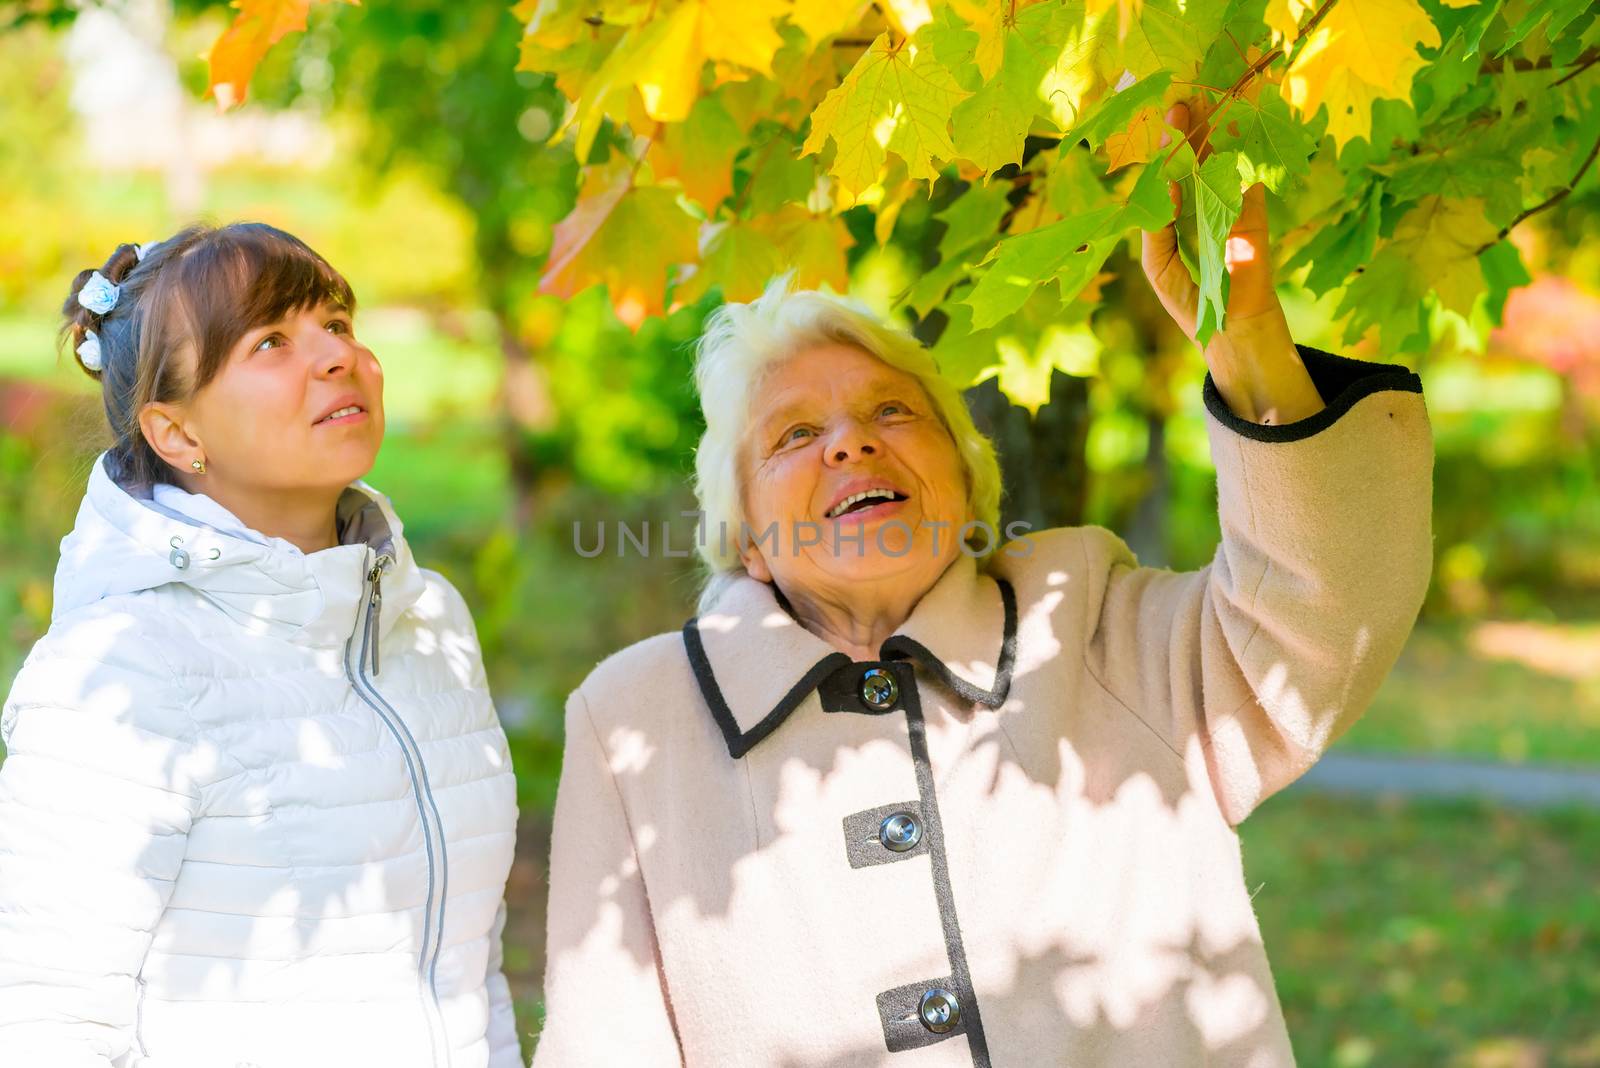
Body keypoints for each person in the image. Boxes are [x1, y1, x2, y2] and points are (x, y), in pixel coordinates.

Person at [531, 103, 1434, 1066]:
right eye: (795, 435)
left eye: (892, 410)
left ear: (967, 489)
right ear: (747, 539)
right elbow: (604, 1038)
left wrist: (1246, 336)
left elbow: (1322, 613)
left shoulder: (1095, 629)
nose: (851, 440)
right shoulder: (636, 721)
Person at [0, 222, 522, 1068]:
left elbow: (472, 966)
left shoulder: (429, 624)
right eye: (271, 340)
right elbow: (48, 1026)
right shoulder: (120, 673)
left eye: (339, 323)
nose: (335, 356)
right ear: (177, 435)